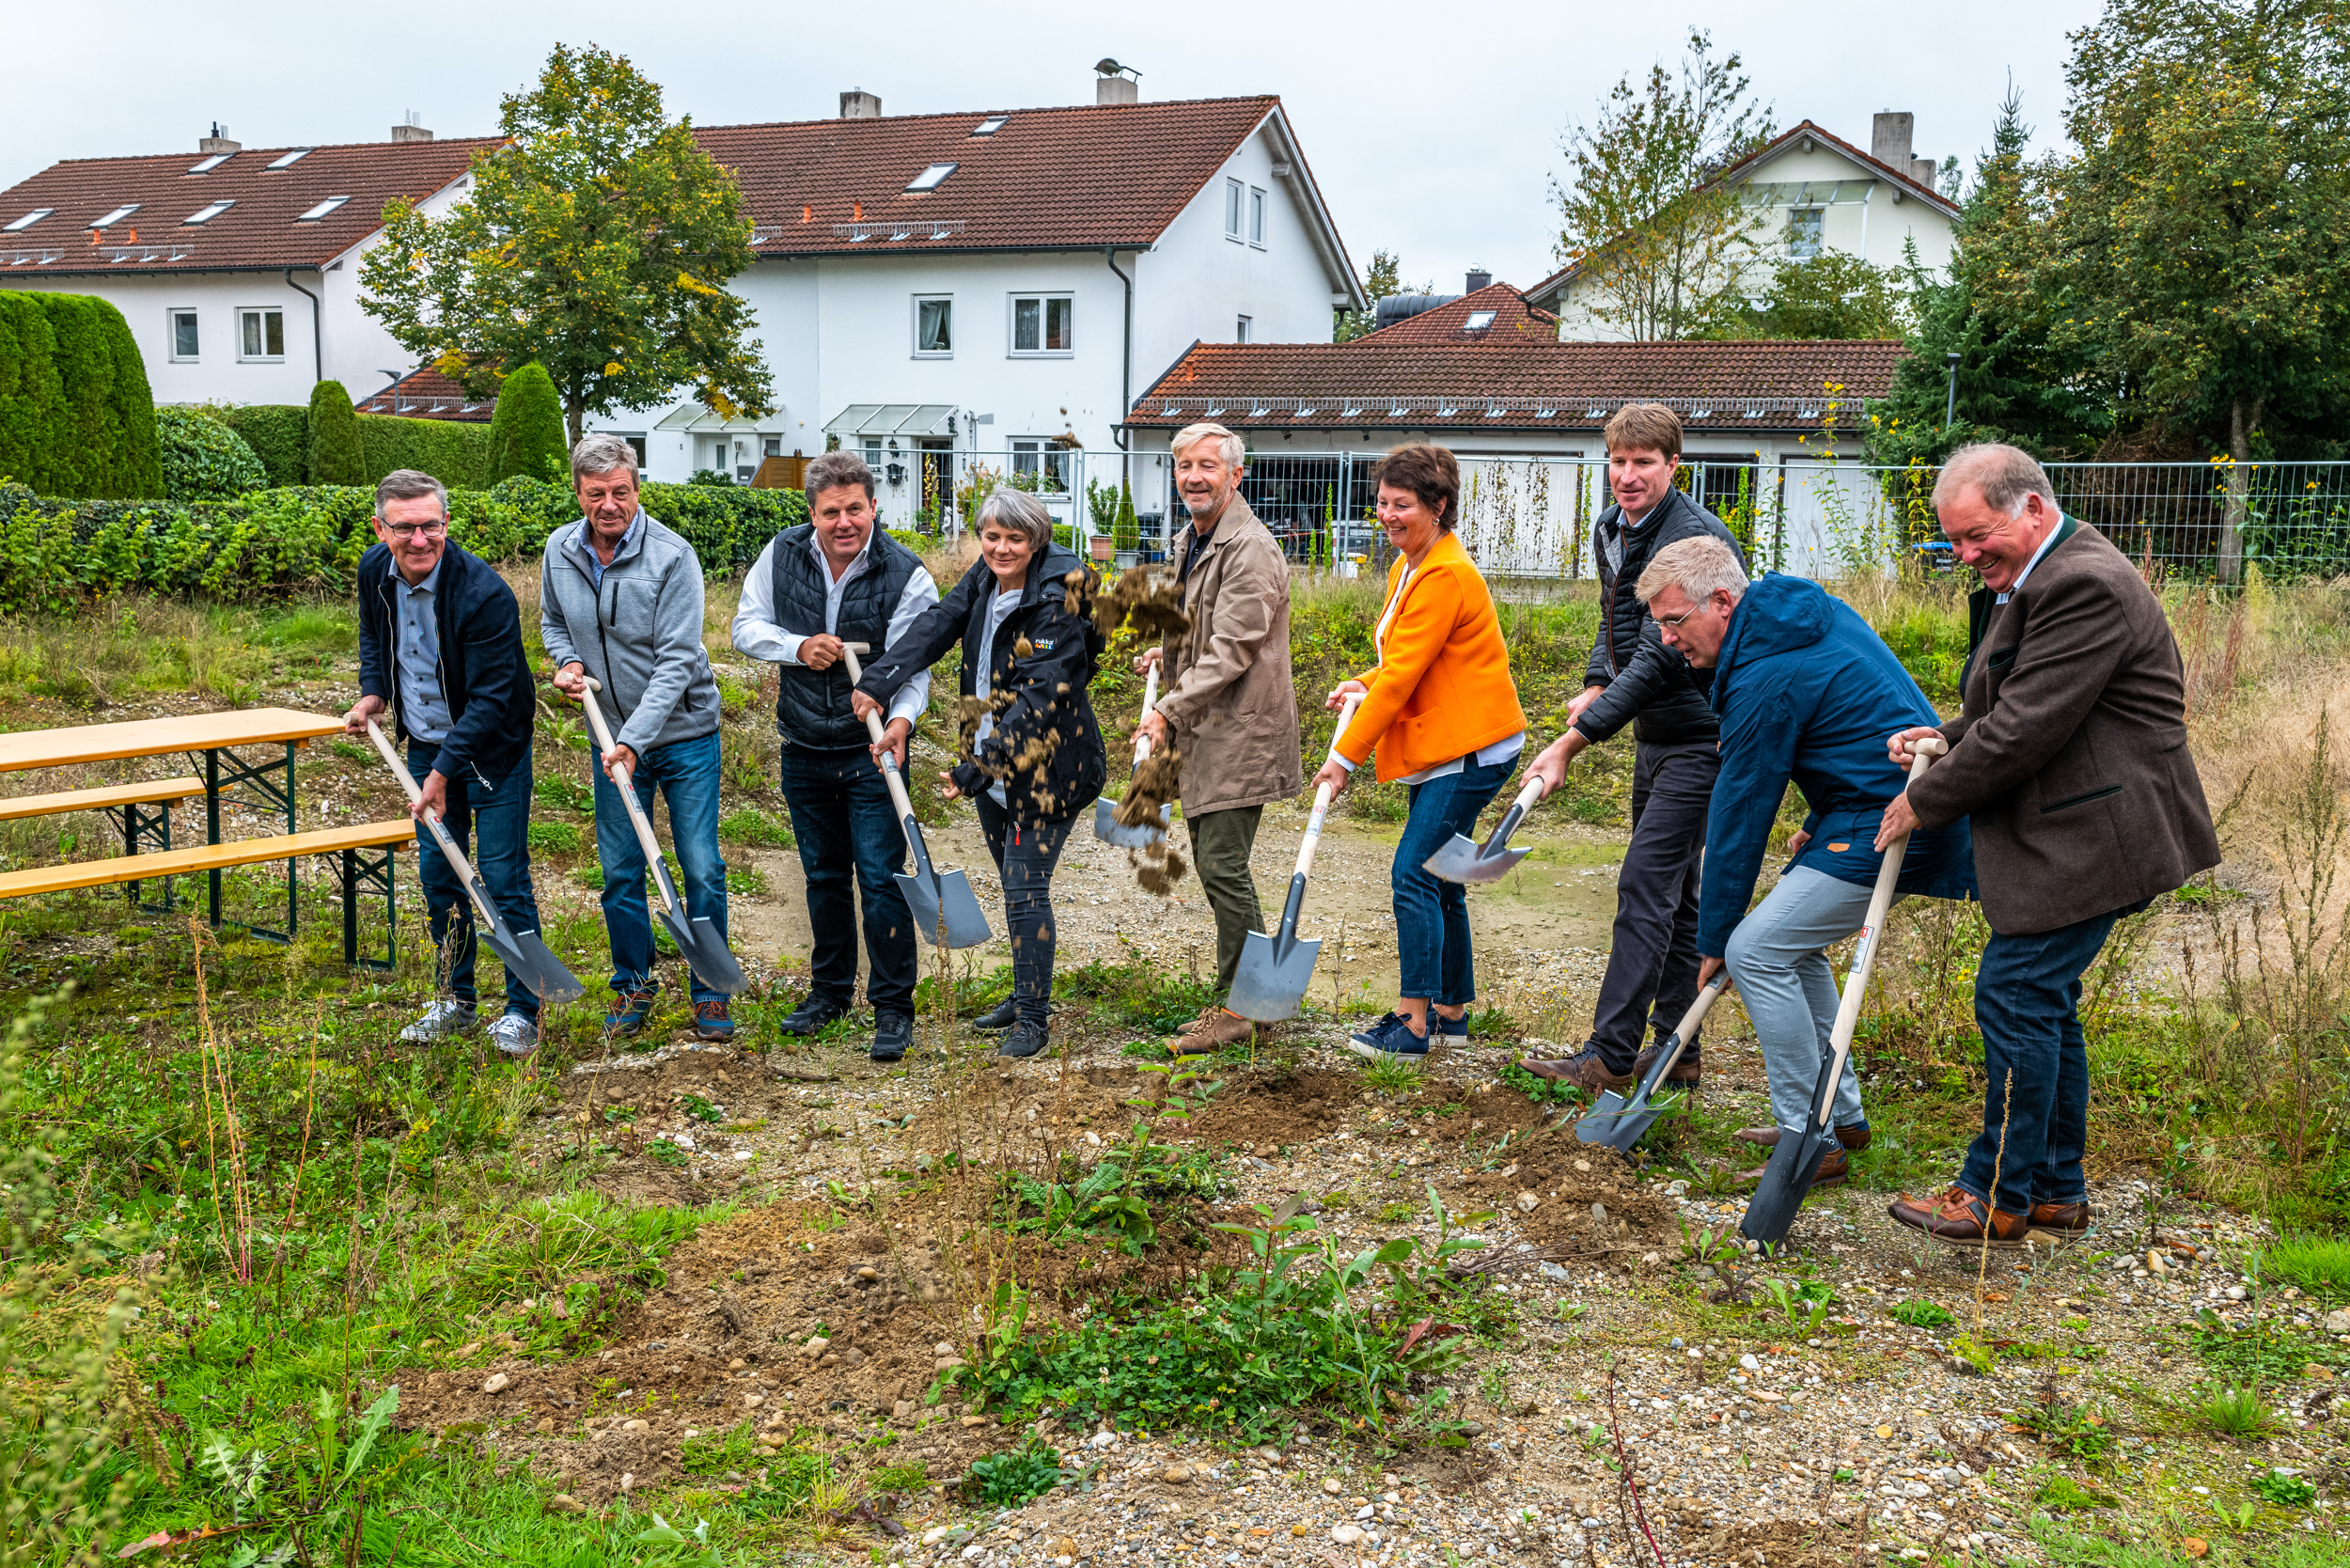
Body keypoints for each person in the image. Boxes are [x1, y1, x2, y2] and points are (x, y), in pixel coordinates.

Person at [1881, 443, 2217, 1246]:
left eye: (1975, 535)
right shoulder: (2038, 573)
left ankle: (1995, 1192)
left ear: (2031, 507)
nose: (1964, 556)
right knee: (2044, 1004)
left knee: (2014, 991)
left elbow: (2028, 727)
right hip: (2083, 824)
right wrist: (1950, 734)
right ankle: (2057, 1189)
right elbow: (2021, 700)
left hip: (2102, 832)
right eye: (1953, 540)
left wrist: (1923, 803)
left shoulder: (2083, 584)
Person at [1630, 537, 1974, 1190]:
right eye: (1660, 626)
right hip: (1865, 809)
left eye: (1674, 623)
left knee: (1756, 950)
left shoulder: (1765, 672)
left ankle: (1807, 1139)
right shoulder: (1803, 617)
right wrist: (1820, 819)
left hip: (1898, 821)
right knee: (1793, 947)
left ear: (1723, 602)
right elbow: (1859, 716)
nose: (1669, 641)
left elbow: (1741, 809)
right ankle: (1840, 1117)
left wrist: (1716, 939)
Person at [1516, 403, 1746, 1093]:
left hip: (1703, 736)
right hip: (1659, 735)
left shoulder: (1693, 537)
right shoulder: (1613, 528)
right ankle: (1678, 1051)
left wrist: (1572, 742)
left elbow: (1659, 656)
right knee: (1675, 895)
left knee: (1645, 887)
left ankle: (1610, 1056)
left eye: (1644, 462)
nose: (1627, 475)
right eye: (1617, 461)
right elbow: (1614, 623)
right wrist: (1594, 680)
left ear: (1674, 466)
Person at [852, 489, 1107, 1059]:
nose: (1000, 547)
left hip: (1046, 765)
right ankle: (1023, 995)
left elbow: (1042, 699)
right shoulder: (987, 577)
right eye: (991, 536)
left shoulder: (1061, 593)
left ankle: (1034, 1020)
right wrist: (881, 679)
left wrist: (975, 770)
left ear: (1037, 539)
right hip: (990, 761)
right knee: (1013, 879)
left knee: (1024, 889)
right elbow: (939, 623)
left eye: (1014, 538)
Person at [1308, 444, 1528, 1058]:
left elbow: (1403, 679)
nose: (1388, 514)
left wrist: (1344, 758)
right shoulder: (1411, 565)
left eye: (1402, 504)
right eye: (1382, 502)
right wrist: (1366, 682)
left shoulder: (1445, 574)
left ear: (1439, 506)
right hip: (1449, 739)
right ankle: (1451, 1014)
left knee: (1412, 872)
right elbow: (1404, 665)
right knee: (1440, 873)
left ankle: (1412, 1024)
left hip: (1473, 748)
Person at [732, 450, 940, 1062]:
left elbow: (916, 660)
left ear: (874, 506)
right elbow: (746, 628)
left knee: (880, 880)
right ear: (813, 513)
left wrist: (900, 720)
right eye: (831, 512)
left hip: (871, 751)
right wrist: (799, 647)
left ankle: (894, 1008)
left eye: (855, 509)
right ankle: (828, 994)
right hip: (803, 745)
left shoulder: (907, 574)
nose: (844, 522)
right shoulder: (782, 556)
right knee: (823, 878)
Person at [345, 469, 546, 1057]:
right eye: (405, 527)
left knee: (504, 877)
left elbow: (491, 699)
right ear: (381, 528)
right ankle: (456, 1002)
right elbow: (373, 638)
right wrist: (374, 690)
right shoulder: (373, 573)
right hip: (427, 744)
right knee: (439, 877)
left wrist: (440, 775)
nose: (419, 539)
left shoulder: (484, 593)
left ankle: (521, 1007)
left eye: (430, 525)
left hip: (493, 749)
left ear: (446, 524)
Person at [540, 433, 735, 1043]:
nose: (609, 504)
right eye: (595, 493)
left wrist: (635, 741)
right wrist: (565, 660)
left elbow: (678, 662)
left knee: (700, 867)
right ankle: (633, 983)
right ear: (578, 494)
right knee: (621, 870)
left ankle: (710, 992)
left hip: (682, 736)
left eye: (620, 492)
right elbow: (552, 620)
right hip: (612, 737)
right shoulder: (560, 551)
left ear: (637, 489)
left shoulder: (672, 557)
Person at [1136, 422, 1304, 1058]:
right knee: (1216, 865)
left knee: (1222, 866)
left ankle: (1247, 1006)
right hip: (1211, 727)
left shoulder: (1249, 548)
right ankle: (1251, 998)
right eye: (1184, 467)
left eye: (1209, 466)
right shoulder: (1195, 538)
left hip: (1242, 730)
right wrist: (1168, 649)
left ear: (1236, 474)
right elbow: (1206, 627)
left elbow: (1234, 648)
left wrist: (1166, 711)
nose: (1194, 477)